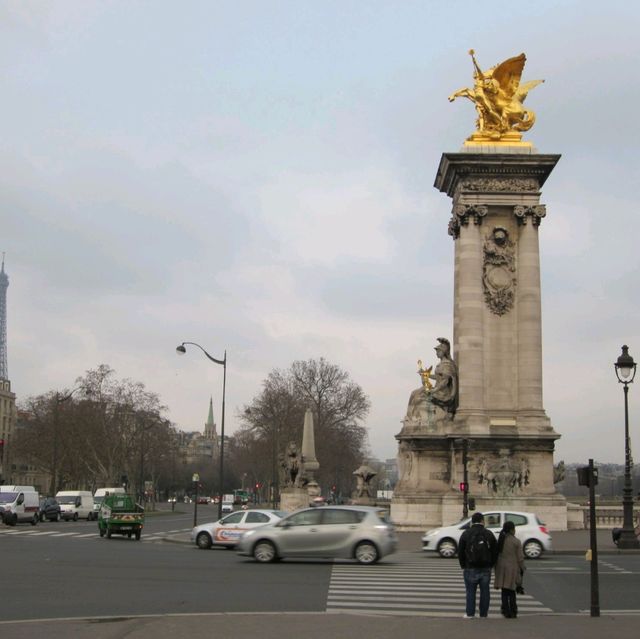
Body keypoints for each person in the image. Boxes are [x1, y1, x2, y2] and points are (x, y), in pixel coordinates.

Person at [458, 512, 498, 618]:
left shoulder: (466, 533)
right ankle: (483, 614)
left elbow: (461, 551)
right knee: (485, 592)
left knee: (470, 592)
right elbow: (495, 551)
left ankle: (470, 614)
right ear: (482, 521)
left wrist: (463, 565)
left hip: (470, 567)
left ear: (472, 521)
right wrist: (491, 564)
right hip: (485, 567)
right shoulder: (488, 533)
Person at [494, 520, 525, 618]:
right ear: (512, 530)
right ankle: (513, 610)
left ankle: (505, 610)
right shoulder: (516, 541)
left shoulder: (501, 540)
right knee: (511, 591)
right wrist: (522, 567)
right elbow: (520, 558)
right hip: (512, 569)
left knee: (504, 591)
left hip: (501, 569)